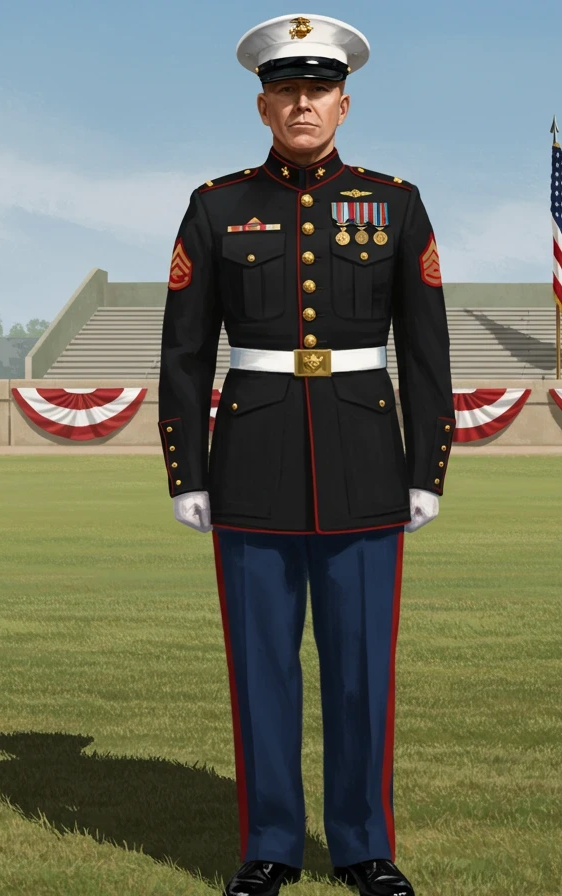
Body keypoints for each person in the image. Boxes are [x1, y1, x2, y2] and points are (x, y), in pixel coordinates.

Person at [156, 13, 454, 896]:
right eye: (285, 89)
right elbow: (182, 351)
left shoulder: (394, 202)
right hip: (252, 462)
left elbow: (426, 347)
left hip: (365, 461)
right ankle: (270, 847)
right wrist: (189, 472)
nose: (301, 103)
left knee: (362, 669)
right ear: (261, 105)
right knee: (261, 672)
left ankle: (363, 846)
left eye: (317, 89)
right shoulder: (217, 207)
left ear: (344, 103)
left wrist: (425, 467)